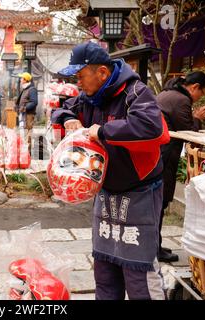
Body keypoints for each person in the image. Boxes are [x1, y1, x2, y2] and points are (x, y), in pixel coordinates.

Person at [52, 41, 169, 300]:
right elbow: (61, 108)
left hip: (139, 191)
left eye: (80, 76)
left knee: (138, 273)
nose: (78, 83)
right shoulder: (90, 96)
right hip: (106, 192)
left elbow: (153, 128)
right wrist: (67, 118)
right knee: (105, 272)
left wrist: (104, 131)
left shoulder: (136, 93)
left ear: (102, 73)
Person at [157, 71, 205, 263]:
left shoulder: (167, 93)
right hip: (164, 157)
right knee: (159, 202)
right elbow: (188, 133)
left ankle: (154, 245)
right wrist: (196, 117)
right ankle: (155, 249)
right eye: (201, 94)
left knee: (157, 202)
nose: (198, 99)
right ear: (195, 87)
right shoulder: (181, 100)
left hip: (157, 155)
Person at [15, 72, 38, 154]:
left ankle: (28, 152)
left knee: (28, 132)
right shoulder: (25, 89)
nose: (20, 80)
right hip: (23, 114)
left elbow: (34, 102)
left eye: (22, 78)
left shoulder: (32, 90)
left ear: (25, 80)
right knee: (23, 131)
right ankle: (24, 150)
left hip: (28, 114)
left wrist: (24, 108)